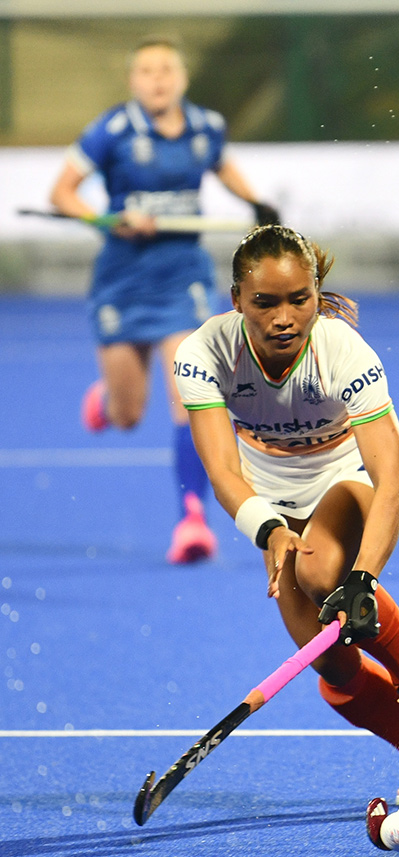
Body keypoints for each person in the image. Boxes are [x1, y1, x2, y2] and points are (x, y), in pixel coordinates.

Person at [173, 224, 399, 806]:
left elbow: (390, 480)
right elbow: (223, 473)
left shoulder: (342, 350)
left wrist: (362, 578)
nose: (284, 317)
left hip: (350, 476)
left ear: (316, 294)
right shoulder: (203, 353)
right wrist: (268, 528)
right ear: (236, 300)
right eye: (265, 302)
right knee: (331, 665)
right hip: (271, 495)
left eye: (299, 300)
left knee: (319, 574)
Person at [49, 36, 281, 564]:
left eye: (167, 70)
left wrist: (253, 201)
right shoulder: (111, 131)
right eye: (147, 71)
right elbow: (61, 194)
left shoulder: (206, 127)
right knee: (130, 414)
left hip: (184, 281)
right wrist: (109, 219)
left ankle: (192, 520)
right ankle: (108, 403)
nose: (158, 79)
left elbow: (220, 165)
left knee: (192, 398)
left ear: (181, 79)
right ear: (134, 80)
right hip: (122, 281)